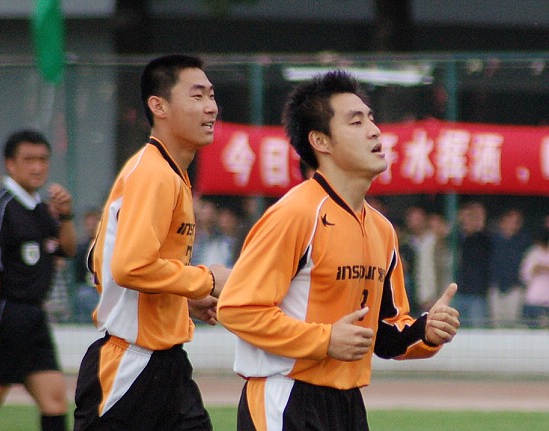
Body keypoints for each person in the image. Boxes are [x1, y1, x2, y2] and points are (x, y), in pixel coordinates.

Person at [217, 70, 460, 431]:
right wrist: (325, 339)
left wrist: (426, 331)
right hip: (285, 399)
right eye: (356, 121)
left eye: (371, 119)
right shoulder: (294, 215)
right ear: (321, 141)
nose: (374, 130)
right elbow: (237, 309)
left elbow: (385, 334)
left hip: (348, 403)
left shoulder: (382, 230)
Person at [73, 54, 230, 431]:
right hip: (129, 369)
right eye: (197, 96)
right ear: (158, 106)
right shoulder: (154, 173)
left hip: (165, 366)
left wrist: (182, 301)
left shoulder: (168, 173)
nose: (211, 107)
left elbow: (103, 259)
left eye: (211, 95)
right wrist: (207, 280)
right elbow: (130, 267)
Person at [0, 129, 76, 431]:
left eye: (43, 159)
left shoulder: (39, 208)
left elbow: (67, 249)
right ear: (10, 164)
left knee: (54, 399)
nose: (37, 167)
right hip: (9, 315)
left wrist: (66, 216)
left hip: (34, 317)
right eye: (29, 160)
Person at [488, 208, 532, 327]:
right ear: (502, 221)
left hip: (515, 288)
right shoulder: (492, 239)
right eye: (510, 220)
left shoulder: (524, 241)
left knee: (513, 322)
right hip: (496, 286)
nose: (513, 224)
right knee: (496, 322)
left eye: (516, 222)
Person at [454, 201, 492, 327]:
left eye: (471, 218)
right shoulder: (457, 239)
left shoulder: (484, 239)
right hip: (459, 292)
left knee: (477, 330)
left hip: (477, 294)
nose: (467, 222)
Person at [72, 208, 101, 323]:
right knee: (83, 295)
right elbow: (78, 275)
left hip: (104, 288)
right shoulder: (82, 248)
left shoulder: (109, 246)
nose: (91, 227)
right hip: (87, 287)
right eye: (88, 224)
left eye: (94, 223)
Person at [520, 227, 549, 328]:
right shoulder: (533, 253)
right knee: (531, 328)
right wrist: (534, 270)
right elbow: (524, 275)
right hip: (533, 299)